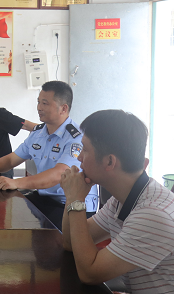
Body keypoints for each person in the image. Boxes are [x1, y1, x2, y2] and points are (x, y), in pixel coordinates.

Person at [61, 110, 174, 291]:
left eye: (85, 149)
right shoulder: (123, 198)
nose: (79, 157)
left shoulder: (153, 215)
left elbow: (90, 274)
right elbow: (69, 243)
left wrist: (76, 200)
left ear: (109, 162)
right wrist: (72, 197)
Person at [0, 81, 98, 230]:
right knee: (3, 201)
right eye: (38, 102)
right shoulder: (38, 133)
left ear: (63, 108)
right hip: (44, 197)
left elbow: (59, 174)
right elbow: (12, 159)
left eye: (45, 103)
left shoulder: (76, 138)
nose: (39, 107)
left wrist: (16, 182)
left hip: (72, 204)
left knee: (44, 235)